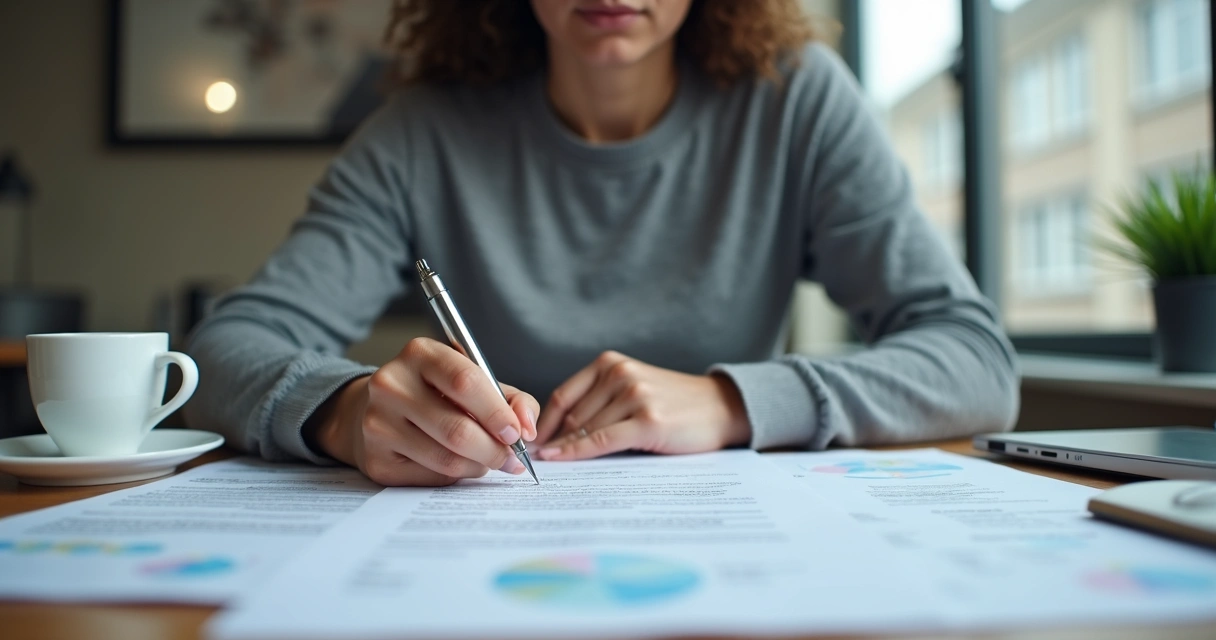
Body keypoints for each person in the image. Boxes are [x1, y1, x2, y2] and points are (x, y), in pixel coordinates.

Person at [184, 0, 1019, 487]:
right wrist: (344, 409)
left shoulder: (793, 101)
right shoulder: (421, 132)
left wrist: (731, 403)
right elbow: (221, 350)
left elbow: (975, 362)